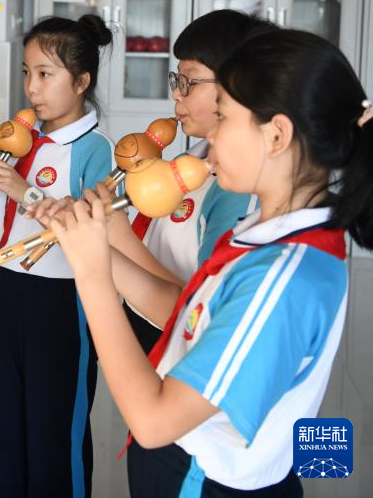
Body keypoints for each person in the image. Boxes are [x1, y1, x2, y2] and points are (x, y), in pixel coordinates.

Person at [47, 29, 373, 496]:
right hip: (186, 460)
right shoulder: (270, 231)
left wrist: (93, 277)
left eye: (223, 116)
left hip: (203, 478)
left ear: (277, 135)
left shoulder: (282, 276)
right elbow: (187, 314)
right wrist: (95, 245)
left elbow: (153, 421)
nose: (211, 134)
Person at [0, 15, 114, 497]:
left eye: (45, 74)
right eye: (26, 72)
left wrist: (24, 191)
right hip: (0, 290)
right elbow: (0, 228)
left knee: (54, 437)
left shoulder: (94, 150)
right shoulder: (20, 141)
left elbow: (92, 234)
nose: (31, 87)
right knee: (5, 430)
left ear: (81, 82)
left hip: (58, 300)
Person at [88, 11, 273, 351]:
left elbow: (201, 311)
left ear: (238, 88)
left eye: (190, 82)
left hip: (177, 344)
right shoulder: (193, 158)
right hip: (146, 325)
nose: (176, 94)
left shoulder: (236, 190)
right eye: (177, 79)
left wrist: (117, 238)